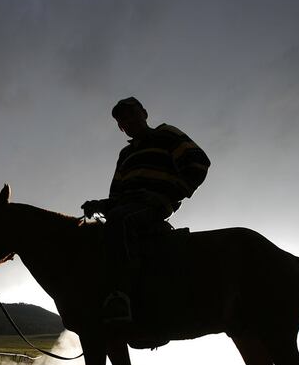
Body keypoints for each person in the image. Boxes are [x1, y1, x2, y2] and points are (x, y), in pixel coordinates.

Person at [82, 97, 211, 323]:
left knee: (121, 221)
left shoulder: (166, 135)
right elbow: (117, 194)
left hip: (154, 205)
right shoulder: (125, 154)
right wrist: (100, 204)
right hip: (126, 206)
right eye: (122, 120)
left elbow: (198, 163)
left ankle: (120, 296)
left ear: (144, 113)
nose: (127, 121)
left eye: (131, 114)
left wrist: (168, 195)